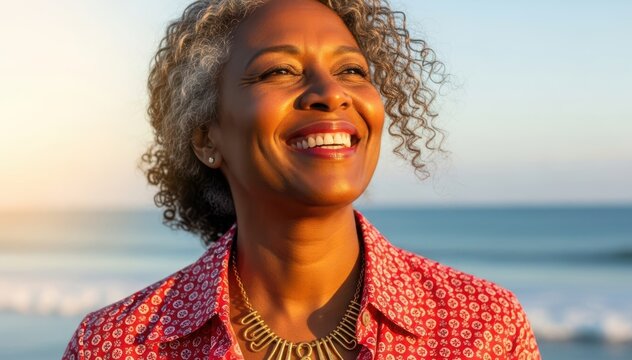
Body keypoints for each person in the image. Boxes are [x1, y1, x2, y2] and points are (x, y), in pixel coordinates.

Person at [63, 0, 541, 359]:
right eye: (279, 71)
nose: (331, 93)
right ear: (208, 139)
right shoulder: (116, 345)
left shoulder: (484, 329)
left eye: (352, 70)